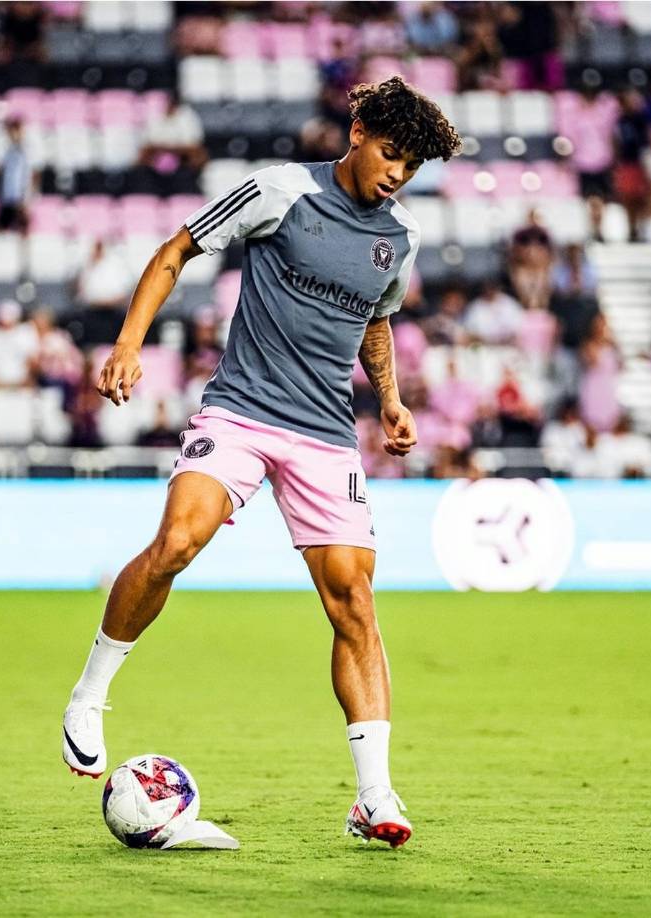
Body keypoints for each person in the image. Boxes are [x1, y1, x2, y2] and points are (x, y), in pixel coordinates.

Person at [61, 76, 462, 848]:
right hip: (241, 411)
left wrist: (390, 400)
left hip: (322, 436)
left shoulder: (400, 239)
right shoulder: (278, 192)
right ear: (357, 132)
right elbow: (175, 250)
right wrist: (127, 345)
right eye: (389, 155)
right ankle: (89, 695)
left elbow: (375, 323)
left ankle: (373, 795)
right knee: (179, 540)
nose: (395, 174)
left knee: (354, 601)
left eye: (410, 167)